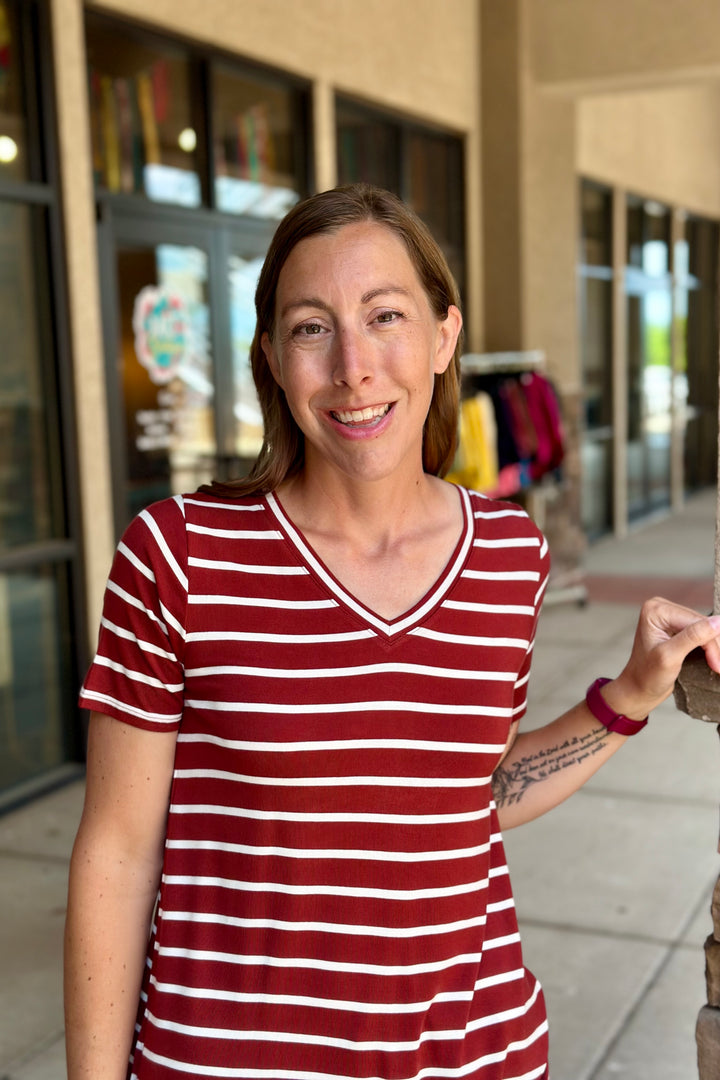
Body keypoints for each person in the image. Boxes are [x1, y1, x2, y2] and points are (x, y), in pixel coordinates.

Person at [64, 183, 720, 1080]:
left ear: (445, 336)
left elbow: (461, 797)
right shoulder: (179, 556)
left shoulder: (506, 555)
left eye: (384, 315)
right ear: (271, 356)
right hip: (232, 1062)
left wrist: (633, 695)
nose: (353, 367)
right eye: (309, 327)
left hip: (470, 1053)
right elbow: (117, 851)